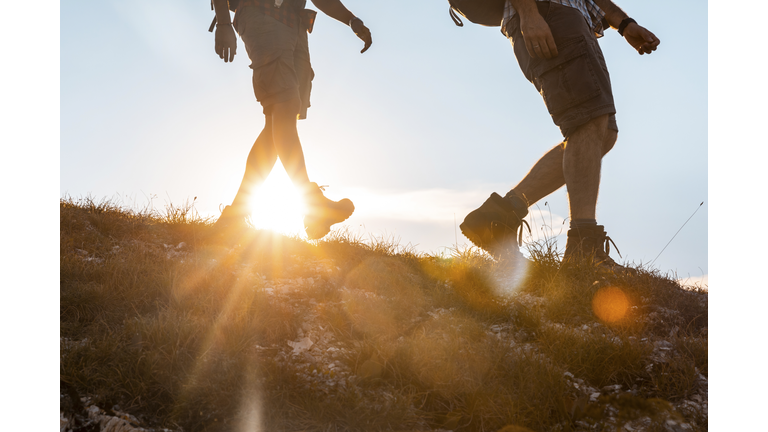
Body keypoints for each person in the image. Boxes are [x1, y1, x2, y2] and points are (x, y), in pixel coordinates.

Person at [459, 0, 660, 270]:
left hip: (570, 20)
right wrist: (530, 13)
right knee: (589, 122)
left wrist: (624, 24)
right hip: (549, 14)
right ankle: (583, 247)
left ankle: (501, 215)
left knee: (602, 133)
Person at [210, 0, 372, 239]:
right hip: (260, 13)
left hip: (294, 24)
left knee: (277, 123)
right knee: (283, 108)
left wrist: (350, 19)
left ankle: (234, 218)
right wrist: (223, 21)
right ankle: (313, 205)